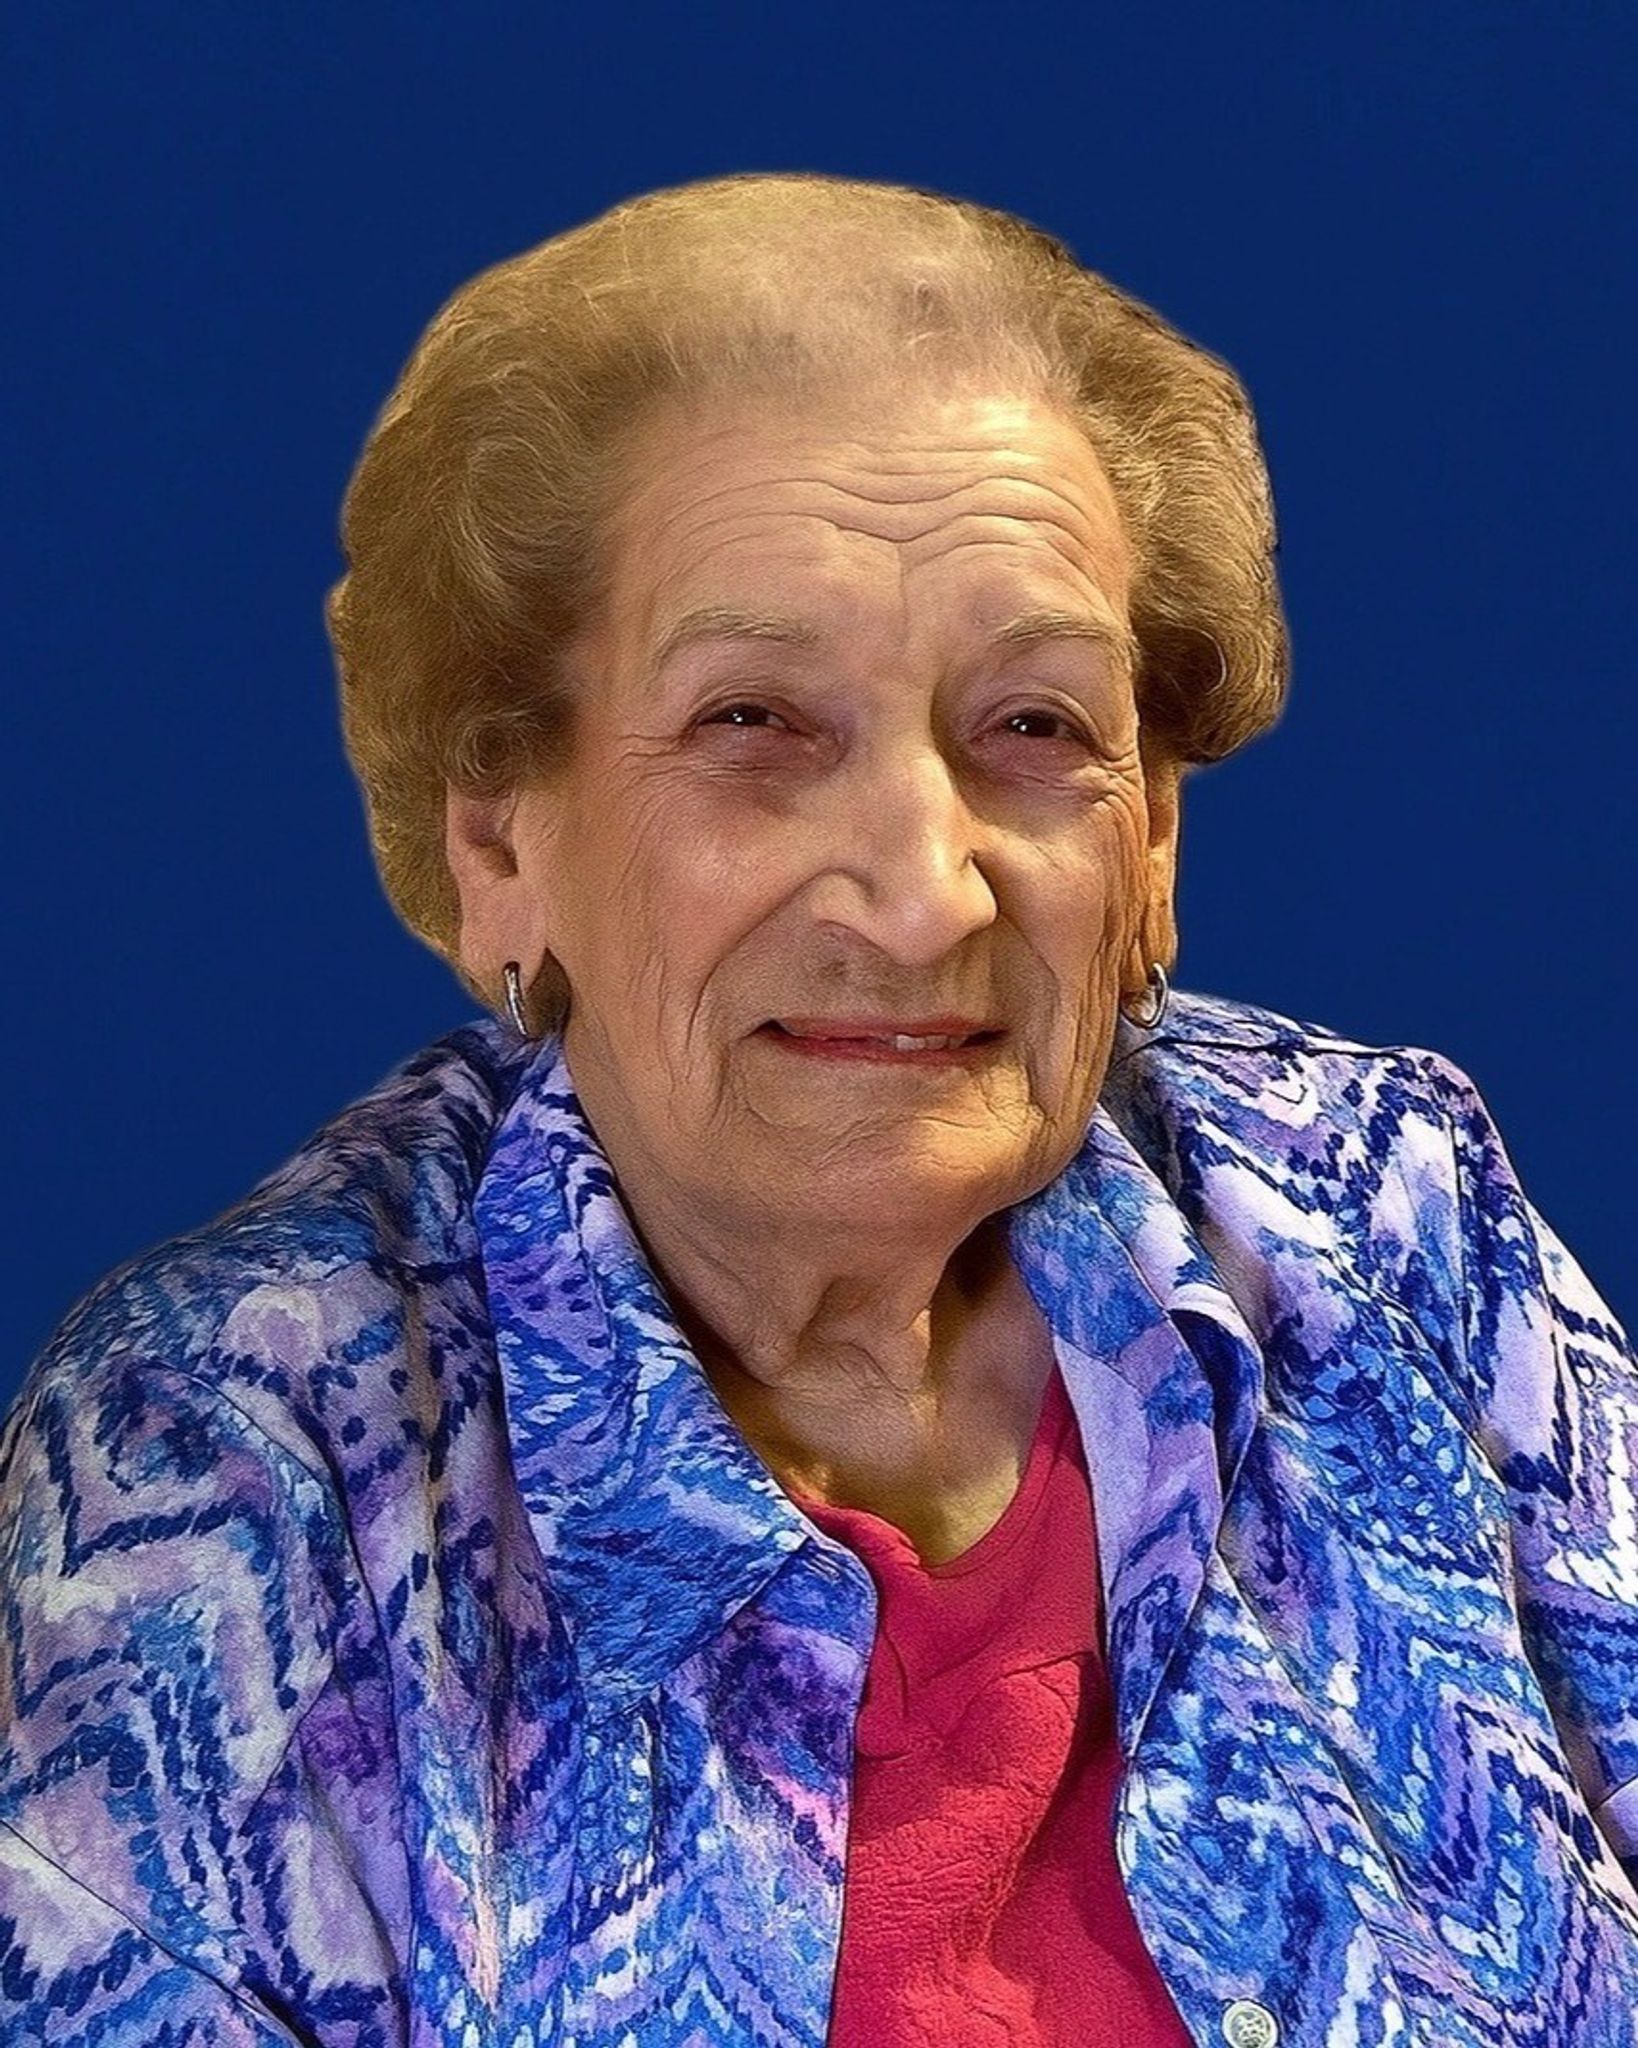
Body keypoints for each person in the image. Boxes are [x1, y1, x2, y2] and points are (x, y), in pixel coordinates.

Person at [2, 170, 1635, 2048]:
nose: (923, 896)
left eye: (1033, 728)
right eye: (753, 725)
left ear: (1153, 843)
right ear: (499, 845)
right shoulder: (233, 1464)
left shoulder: (1380, 1214)